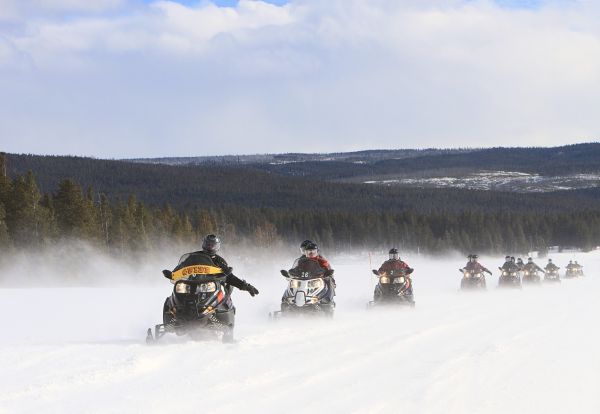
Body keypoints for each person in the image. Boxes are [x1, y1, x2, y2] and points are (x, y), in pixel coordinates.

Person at [174, 234, 259, 296]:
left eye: (212, 245)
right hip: (192, 285)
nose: (209, 247)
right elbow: (183, 265)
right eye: (208, 244)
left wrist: (245, 286)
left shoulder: (219, 260)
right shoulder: (194, 256)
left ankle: (222, 311)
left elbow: (230, 277)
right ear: (204, 244)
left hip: (210, 288)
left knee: (221, 294)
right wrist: (173, 274)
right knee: (176, 294)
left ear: (216, 247)